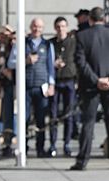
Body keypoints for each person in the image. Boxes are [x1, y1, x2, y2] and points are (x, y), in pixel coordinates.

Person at [71, 7, 109, 170]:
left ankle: (82, 160)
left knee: (88, 123)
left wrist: (96, 80)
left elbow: (80, 62)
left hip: (90, 86)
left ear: (90, 19)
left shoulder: (81, 36)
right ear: (104, 19)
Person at [24, 18, 56, 157]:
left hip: (41, 85)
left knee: (41, 118)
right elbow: (13, 62)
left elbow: (50, 65)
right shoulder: (23, 43)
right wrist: (26, 61)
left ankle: (40, 147)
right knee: (24, 118)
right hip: (26, 85)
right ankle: (23, 146)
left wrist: (51, 84)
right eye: (35, 26)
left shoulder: (47, 45)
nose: (37, 29)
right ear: (31, 27)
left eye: (40, 27)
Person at [49, 16, 77, 157]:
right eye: (58, 27)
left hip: (69, 80)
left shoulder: (73, 43)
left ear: (66, 27)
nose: (61, 29)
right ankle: (53, 144)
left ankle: (66, 143)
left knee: (68, 114)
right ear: (55, 28)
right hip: (55, 81)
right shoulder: (51, 43)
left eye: (63, 26)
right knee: (53, 114)